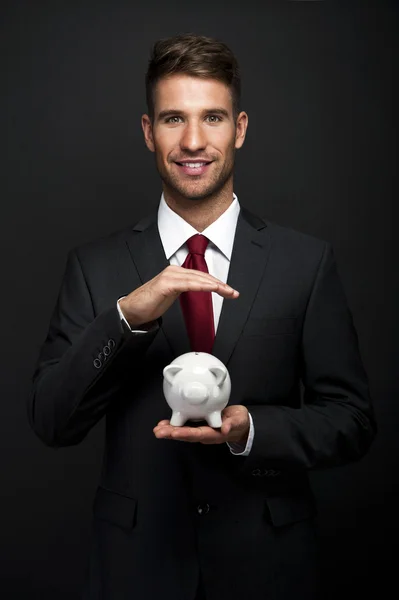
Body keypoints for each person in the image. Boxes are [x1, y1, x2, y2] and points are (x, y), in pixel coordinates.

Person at [28, 33, 376, 600]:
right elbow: (51, 421)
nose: (193, 141)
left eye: (212, 117)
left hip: (268, 569)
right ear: (148, 132)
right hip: (137, 571)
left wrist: (251, 429)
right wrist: (125, 318)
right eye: (173, 119)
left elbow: (353, 420)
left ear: (239, 128)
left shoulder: (305, 264)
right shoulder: (94, 268)